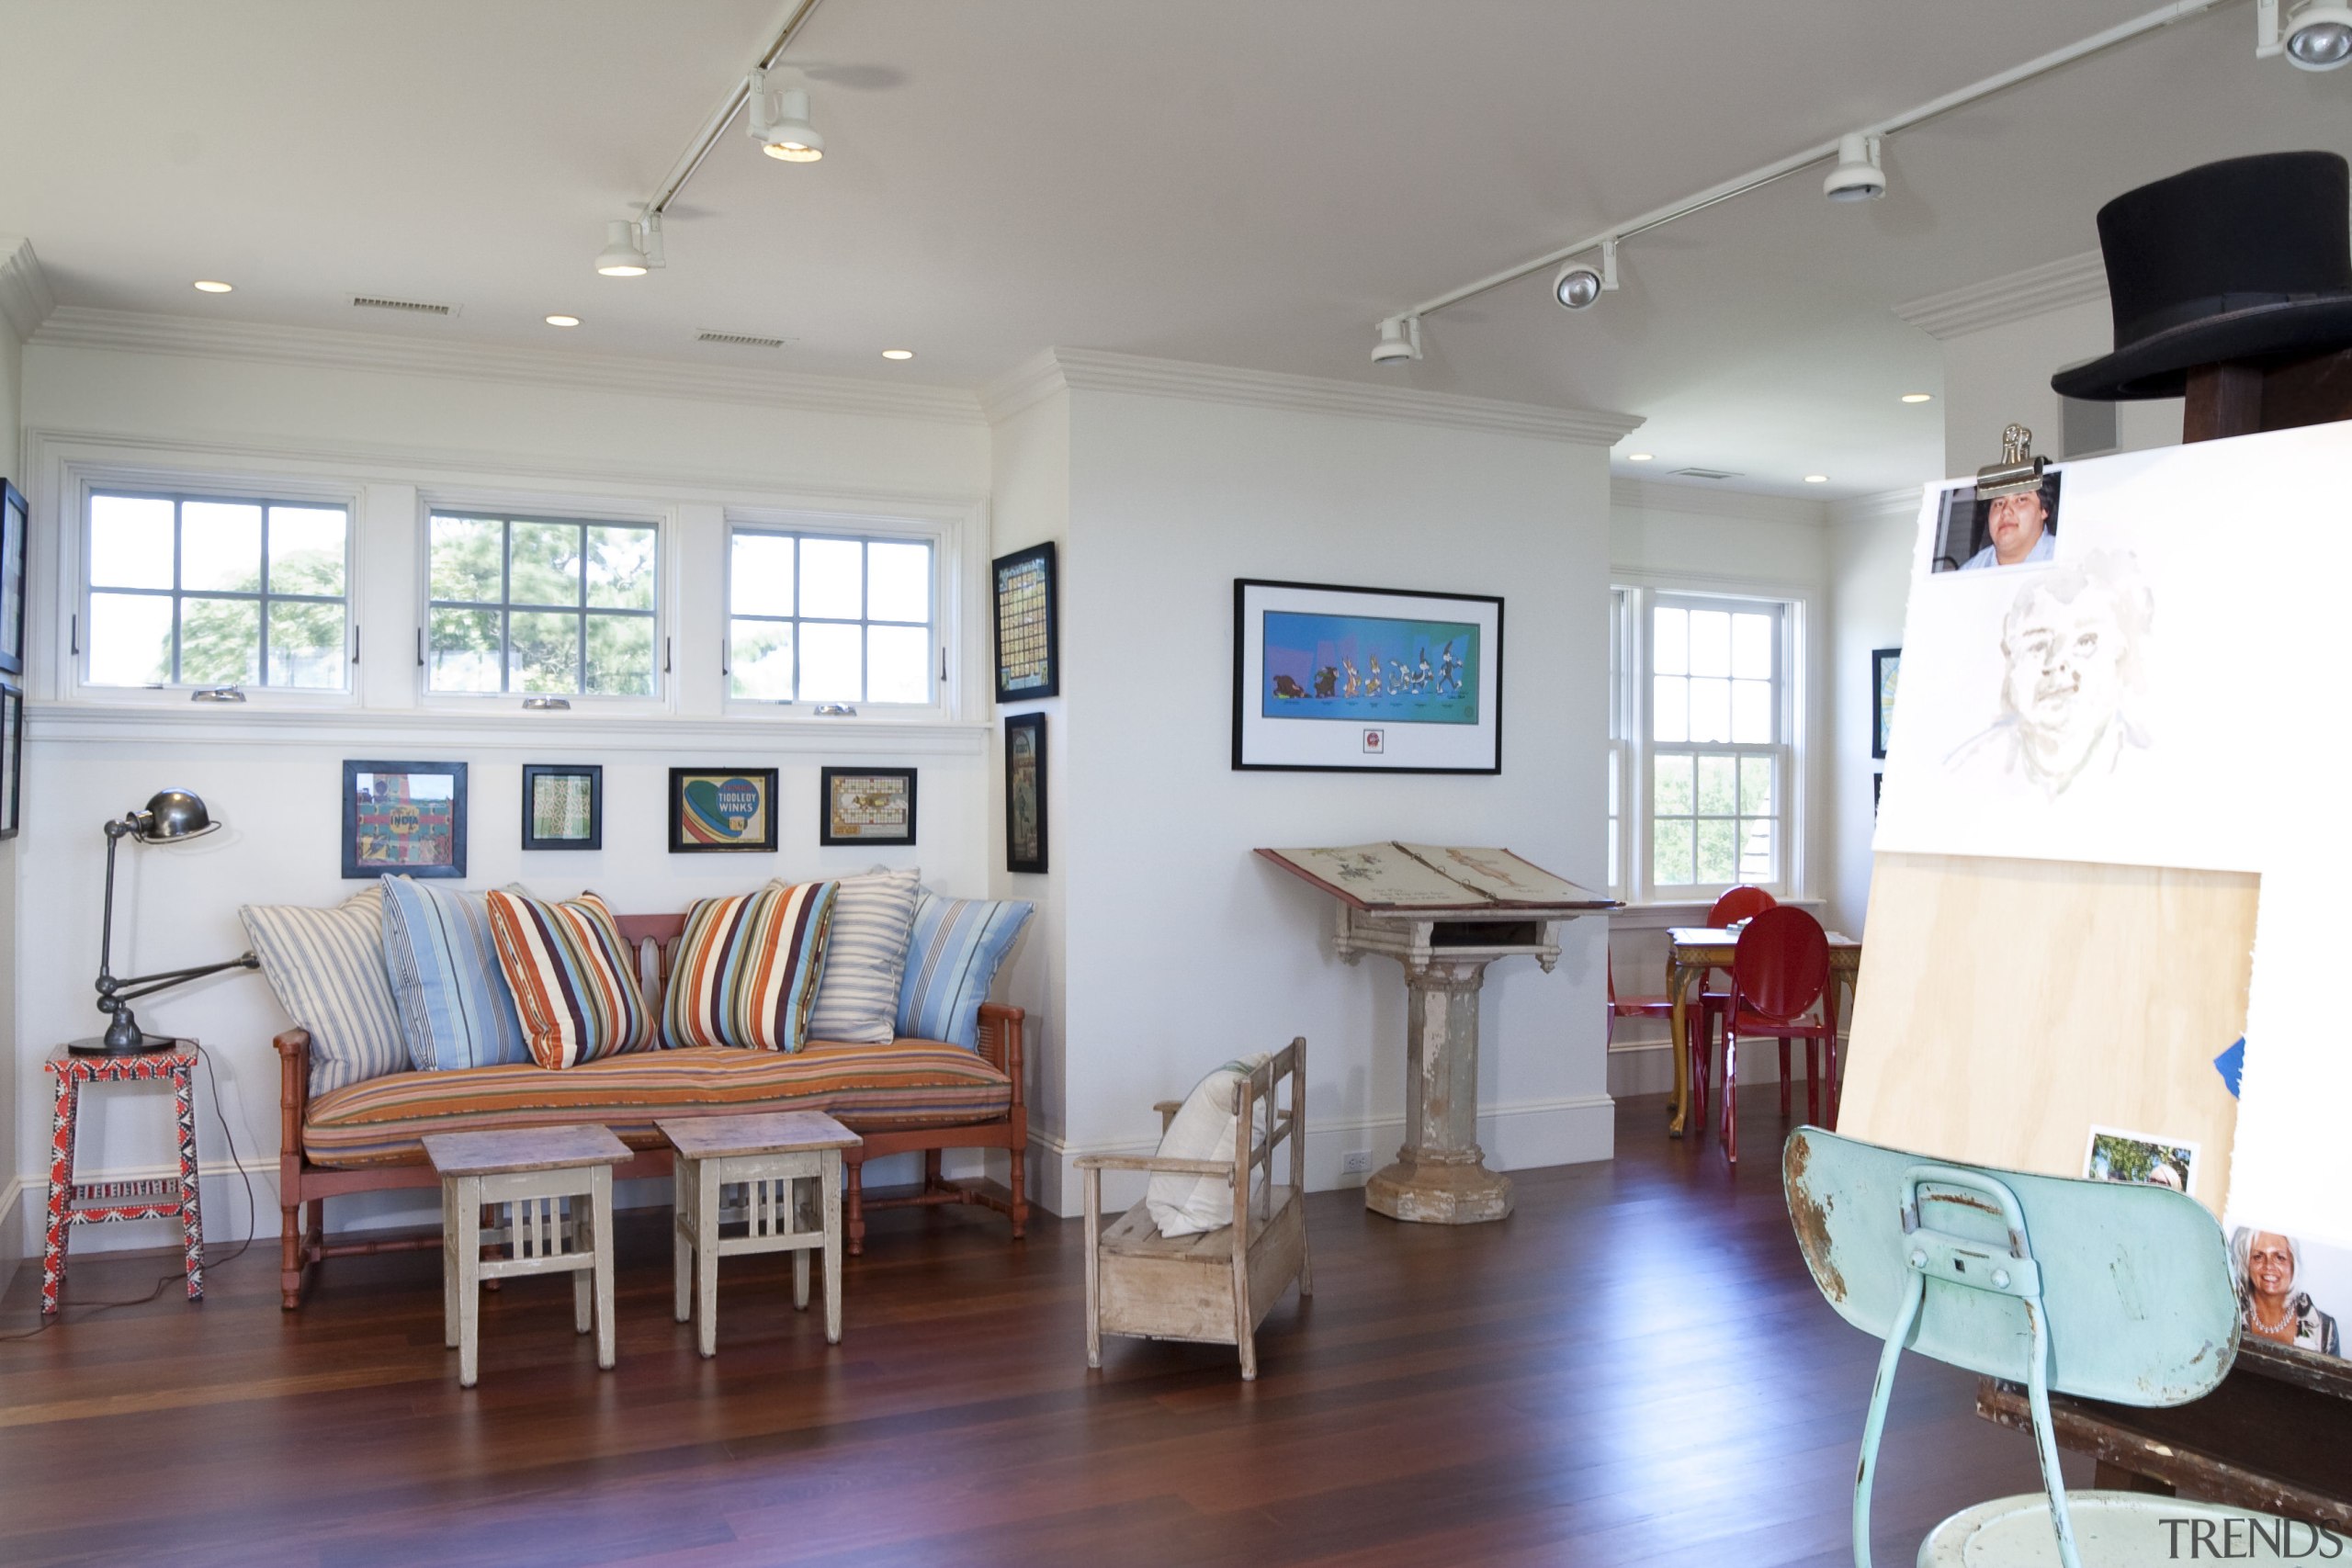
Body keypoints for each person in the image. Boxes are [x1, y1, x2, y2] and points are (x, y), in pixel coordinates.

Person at [1945, 549, 2152, 797]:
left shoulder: (2148, 769)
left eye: (2085, 642)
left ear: (2118, 653)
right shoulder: (1961, 774)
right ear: (2011, 658)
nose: (2055, 662)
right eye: (2038, 645)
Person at [2230, 1227, 2343, 1358]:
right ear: (2246, 1264)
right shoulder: (2229, 1314)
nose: (2269, 1266)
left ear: (2293, 1264)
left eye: (2279, 1257)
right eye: (2258, 1257)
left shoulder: (2325, 1330)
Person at [1959, 478, 2058, 570]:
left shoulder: (2063, 559)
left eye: (2021, 500)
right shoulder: (1967, 574)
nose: (2006, 511)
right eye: (1999, 503)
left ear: (2044, 510)